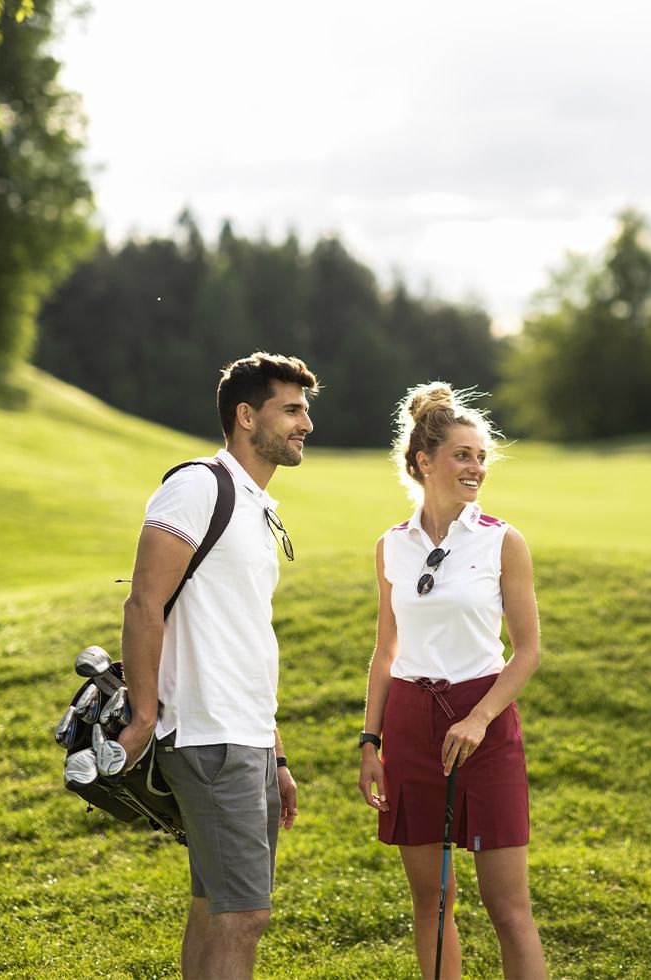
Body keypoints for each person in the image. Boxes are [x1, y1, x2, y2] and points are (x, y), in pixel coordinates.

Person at [118, 351, 318, 980]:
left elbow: (244, 636)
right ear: (244, 415)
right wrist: (145, 713)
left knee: (213, 908)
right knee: (244, 916)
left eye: (306, 409)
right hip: (208, 734)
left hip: (246, 736)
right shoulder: (199, 485)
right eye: (290, 409)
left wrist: (276, 753)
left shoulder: (258, 506)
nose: (305, 422)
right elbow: (145, 601)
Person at [358, 382, 547, 980]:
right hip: (411, 724)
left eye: (481, 456)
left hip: (484, 722)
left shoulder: (501, 540)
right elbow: (386, 650)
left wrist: (479, 717)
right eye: (463, 455)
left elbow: (528, 651)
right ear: (424, 461)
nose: (476, 467)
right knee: (432, 903)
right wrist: (371, 742)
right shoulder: (391, 546)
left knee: (508, 907)